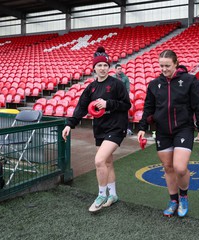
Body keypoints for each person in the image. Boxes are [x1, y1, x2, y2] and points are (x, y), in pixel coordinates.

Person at [137, 49, 199, 218]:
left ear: (176, 63)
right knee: (168, 168)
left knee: (180, 168)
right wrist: (142, 127)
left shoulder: (189, 80)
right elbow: (148, 108)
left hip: (183, 128)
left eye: (167, 65)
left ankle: (183, 197)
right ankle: (173, 200)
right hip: (162, 131)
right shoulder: (154, 84)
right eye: (161, 66)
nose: (164, 69)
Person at [62, 46, 131, 212]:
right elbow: (81, 107)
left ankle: (101, 195)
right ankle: (113, 195)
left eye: (105, 65)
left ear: (109, 67)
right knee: (108, 162)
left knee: (99, 160)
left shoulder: (117, 84)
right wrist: (69, 124)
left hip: (116, 127)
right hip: (100, 128)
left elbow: (126, 105)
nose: (102, 68)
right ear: (94, 68)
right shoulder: (91, 88)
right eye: (99, 65)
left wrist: (108, 104)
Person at [113, 63, 133, 135]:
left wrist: (125, 97)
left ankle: (127, 129)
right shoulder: (112, 78)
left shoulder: (125, 78)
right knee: (115, 114)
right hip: (115, 99)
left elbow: (128, 88)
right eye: (118, 69)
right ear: (115, 70)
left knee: (125, 114)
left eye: (120, 69)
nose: (120, 70)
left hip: (123, 98)